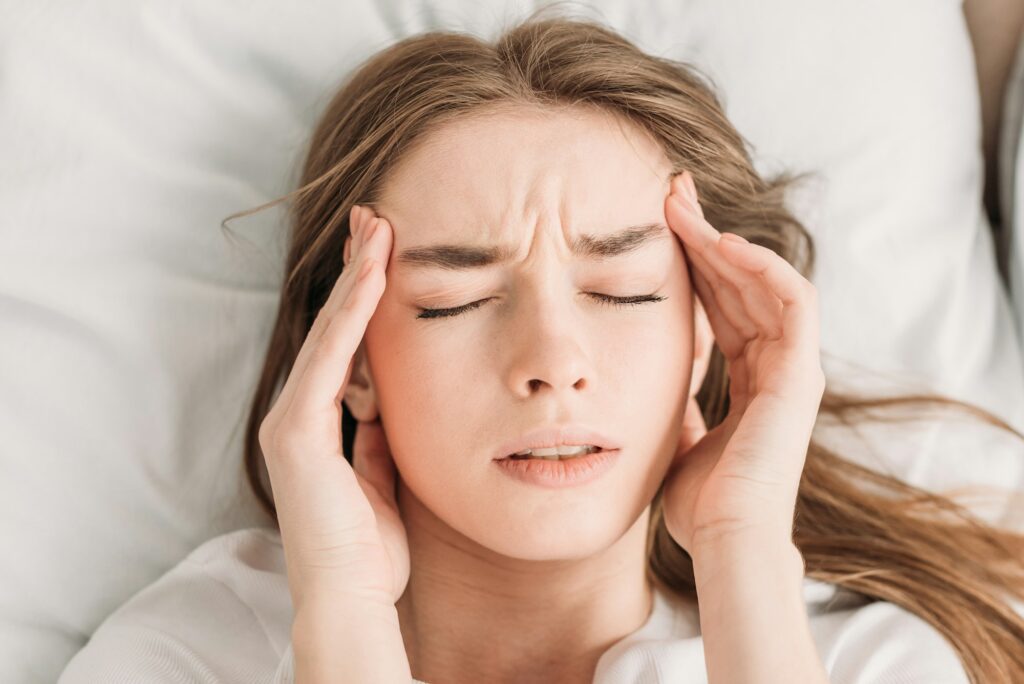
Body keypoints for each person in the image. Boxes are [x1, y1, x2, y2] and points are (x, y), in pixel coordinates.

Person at [59, 10, 1024, 684]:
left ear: (706, 335)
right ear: (349, 362)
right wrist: (344, 617)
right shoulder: (186, 658)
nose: (553, 360)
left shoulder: (861, 663)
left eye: (623, 290)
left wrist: (743, 557)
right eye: (454, 301)